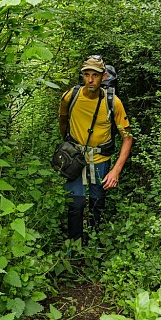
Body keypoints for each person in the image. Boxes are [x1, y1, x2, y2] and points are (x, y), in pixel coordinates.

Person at [58, 55, 133, 243]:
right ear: (82, 75)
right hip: (75, 159)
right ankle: (74, 246)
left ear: (103, 76)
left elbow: (128, 138)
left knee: (97, 202)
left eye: (95, 75)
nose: (90, 80)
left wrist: (116, 170)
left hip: (100, 160)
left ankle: (94, 241)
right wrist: (68, 147)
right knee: (75, 204)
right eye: (86, 74)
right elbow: (63, 121)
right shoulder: (70, 97)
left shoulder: (113, 102)